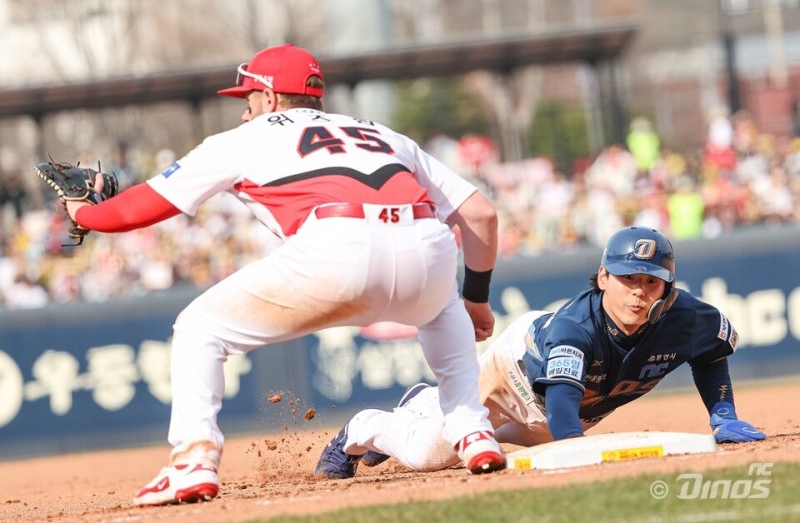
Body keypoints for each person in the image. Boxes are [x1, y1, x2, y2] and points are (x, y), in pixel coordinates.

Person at [60, 44, 506, 506]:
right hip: (424, 246)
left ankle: (192, 463)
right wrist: (476, 298)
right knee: (444, 307)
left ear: (271, 98)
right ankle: (472, 430)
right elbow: (480, 215)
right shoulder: (379, 132)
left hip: (337, 245)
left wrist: (83, 212)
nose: (244, 110)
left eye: (248, 99)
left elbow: (135, 209)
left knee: (198, 329)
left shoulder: (244, 139)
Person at [316, 226, 765, 477]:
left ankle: (426, 402)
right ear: (604, 277)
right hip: (515, 375)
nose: (639, 293)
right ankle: (366, 427)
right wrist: (579, 456)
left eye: (652, 282)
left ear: (667, 287)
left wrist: (722, 413)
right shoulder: (576, 329)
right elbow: (564, 416)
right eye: (628, 279)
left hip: (568, 408)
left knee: (512, 448)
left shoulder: (688, 317)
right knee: (430, 457)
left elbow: (710, 352)